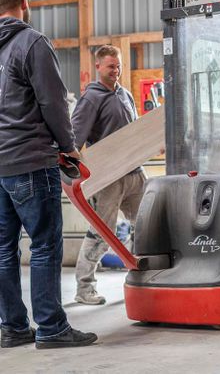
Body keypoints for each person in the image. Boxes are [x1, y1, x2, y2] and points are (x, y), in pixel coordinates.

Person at [0, 0, 97, 349]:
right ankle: (52, 328)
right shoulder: (32, 43)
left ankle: (12, 327)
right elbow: (53, 102)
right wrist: (69, 146)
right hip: (29, 160)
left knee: (3, 248)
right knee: (43, 245)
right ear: (25, 4)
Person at [72, 45, 145, 305]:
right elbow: (74, 140)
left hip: (134, 172)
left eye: (119, 65)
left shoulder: (125, 94)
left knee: (146, 224)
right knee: (102, 232)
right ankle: (84, 287)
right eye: (111, 66)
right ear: (98, 67)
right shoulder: (91, 98)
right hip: (108, 179)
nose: (116, 71)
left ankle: (142, 275)